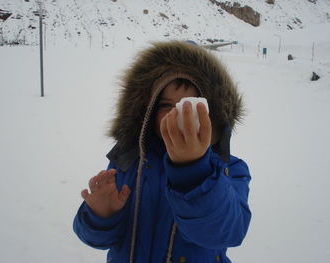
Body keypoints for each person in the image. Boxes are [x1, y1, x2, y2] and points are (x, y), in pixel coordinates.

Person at [73, 40, 252, 263]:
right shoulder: (128, 161)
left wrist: (195, 171)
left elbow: (227, 232)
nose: (176, 114)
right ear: (147, 110)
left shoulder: (229, 169)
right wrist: (101, 216)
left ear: (211, 114)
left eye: (190, 105)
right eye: (165, 104)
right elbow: (98, 238)